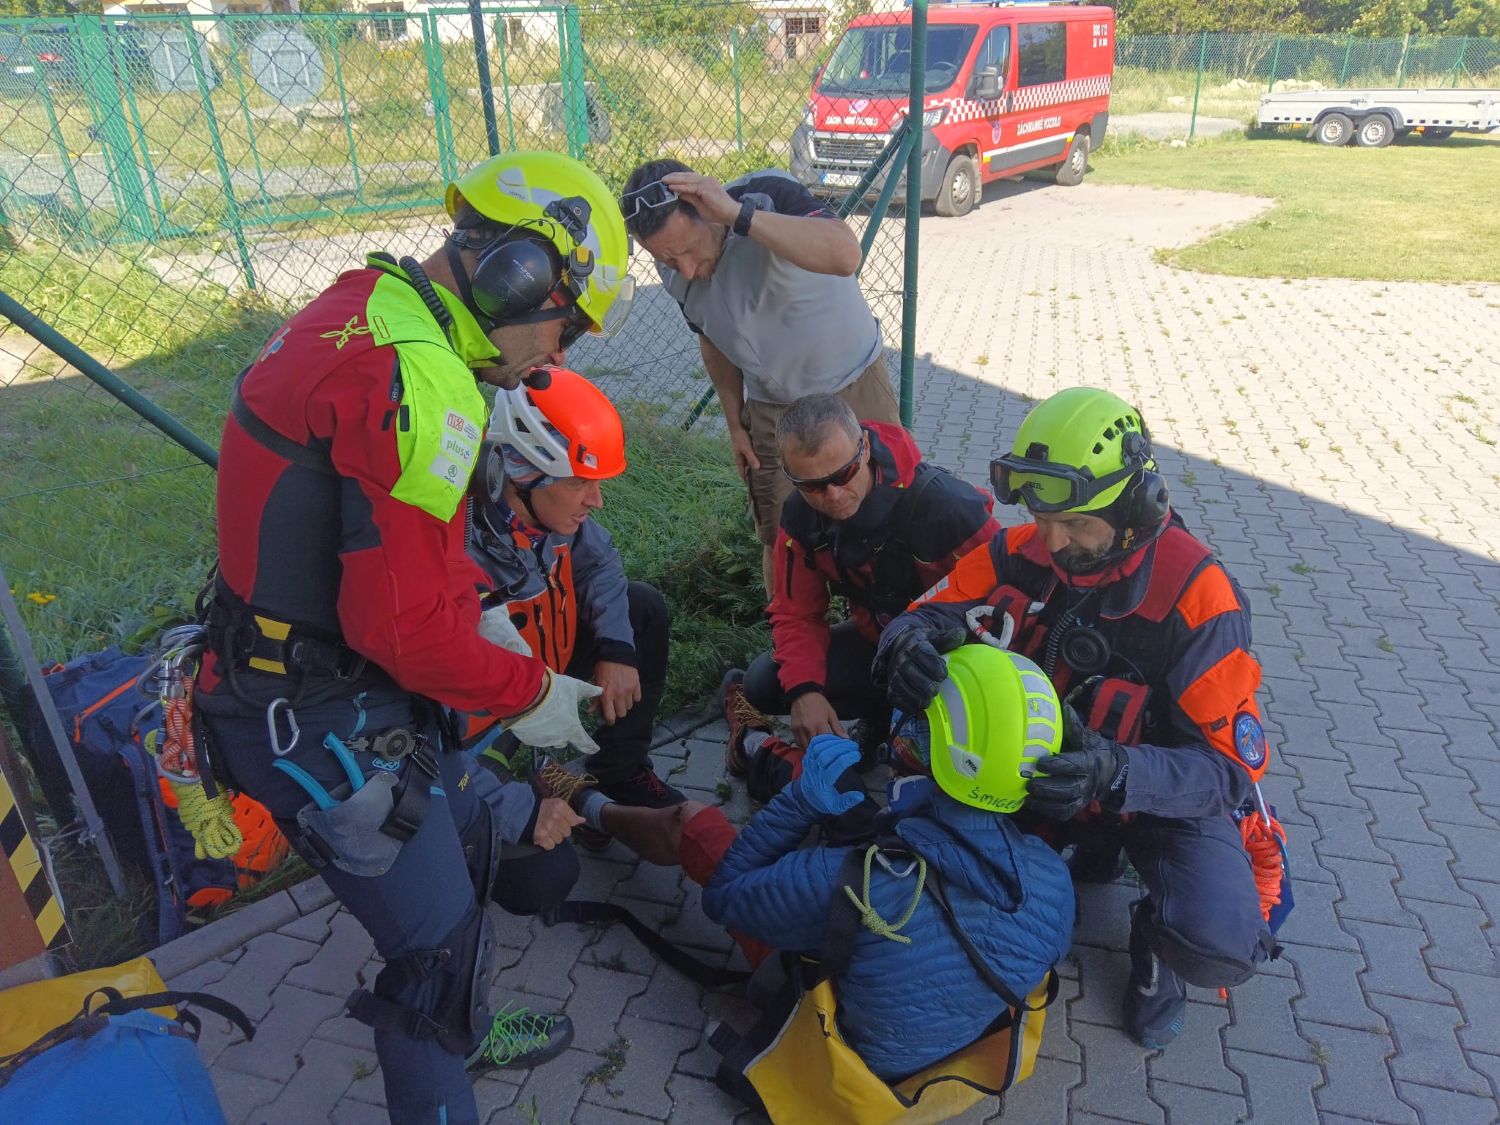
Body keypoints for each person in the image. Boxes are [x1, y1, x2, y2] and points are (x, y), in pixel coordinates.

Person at [194, 150, 633, 1125]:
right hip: (315, 717)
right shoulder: (426, 386)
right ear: (522, 277)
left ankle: (468, 1022)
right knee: (434, 952)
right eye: (569, 325)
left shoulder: (366, 302)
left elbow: (396, 569)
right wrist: (531, 692)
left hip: (309, 677)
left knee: (464, 841)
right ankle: (452, 1040)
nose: (557, 359)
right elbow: (405, 630)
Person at [874, 386, 1279, 1050]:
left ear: (1134, 507)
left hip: (1149, 791)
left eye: (1076, 525)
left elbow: (1228, 773)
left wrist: (1116, 773)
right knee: (915, 850)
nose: (1054, 542)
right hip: (1033, 774)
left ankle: (1154, 940)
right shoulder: (1022, 549)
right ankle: (1076, 849)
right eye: (1043, 517)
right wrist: (906, 646)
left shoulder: (1200, 597)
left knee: (1219, 941)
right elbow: (924, 614)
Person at [553, 645, 1074, 1082]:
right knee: (844, 793)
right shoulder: (1052, 874)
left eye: (912, 728)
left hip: (849, 1050)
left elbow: (725, 896)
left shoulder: (846, 880)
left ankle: (586, 807)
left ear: (936, 750)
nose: (898, 736)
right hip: (953, 1028)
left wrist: (801, 803)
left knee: (695, 823)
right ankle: (754, 744)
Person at [619, 158, 902, 588]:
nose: (687, 271)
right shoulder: (672, 259)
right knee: (781, 539)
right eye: (669, 260)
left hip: (855, 383)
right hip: (773, 408)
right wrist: (736, 424)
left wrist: (739, 217)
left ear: (707, 207)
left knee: (890, 511)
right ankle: (793, 644)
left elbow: (845, 254)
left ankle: (898, 623)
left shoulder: (765, 195)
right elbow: (711, 338)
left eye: (690, 250)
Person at [722, 393, 998, 798]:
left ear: (865, 448)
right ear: (791, 477)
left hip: (959, 658)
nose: (833, 496)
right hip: (880, 645)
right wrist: (805, 692)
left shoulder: (947, 507)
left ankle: (911, 728)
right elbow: (796, 614)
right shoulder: (799, 518)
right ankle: (880, 715)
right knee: (765, 683)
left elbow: (1010, 602)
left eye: (844, 474)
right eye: (813, 486)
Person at [464, 366, 681, 823]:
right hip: (493, 713)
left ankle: (619, 772)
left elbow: (601, 563)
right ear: (520, 475)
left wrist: (616, 650)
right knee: (541, 868)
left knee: (641, 608)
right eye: (580, 483)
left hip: (550, 665)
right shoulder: (462, 542)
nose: (596, 500)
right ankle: (532, 780)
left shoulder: (548, 516)